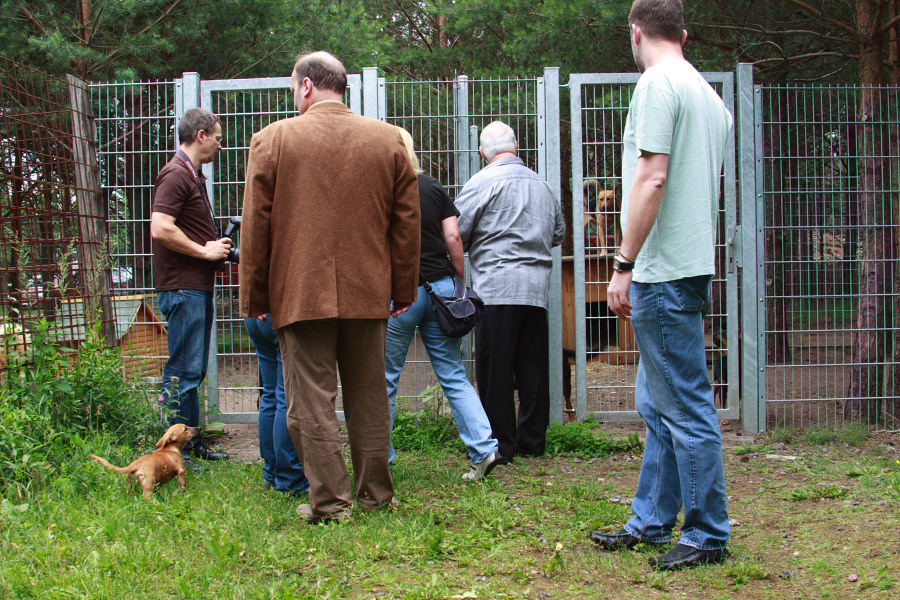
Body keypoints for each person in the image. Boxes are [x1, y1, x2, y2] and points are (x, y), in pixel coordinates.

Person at [239, 51, 420, 523]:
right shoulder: (388, 141)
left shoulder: (273, 140)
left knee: (311, 403)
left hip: (299, 294)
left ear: (305, 87)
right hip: (369, 293)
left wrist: (255, 296)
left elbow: (255, 226)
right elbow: (406, 224)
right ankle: (376, 496)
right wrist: (403, 289)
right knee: (370, 398)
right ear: (341, 86)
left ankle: (331, 504)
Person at [591, 0, 733, 570]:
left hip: (662, 268)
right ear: (684, 32)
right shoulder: (709, 95)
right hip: (689, 263)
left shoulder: (656, 84)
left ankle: (706, 532)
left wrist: (624, 262)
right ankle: (651, 520)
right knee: (658, 402)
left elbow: (653, 176)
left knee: (686, 406)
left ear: (636, 32)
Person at [385, 128, 501, 480]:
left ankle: (381, 458)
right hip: (442, 290)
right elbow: (453, 236)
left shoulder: (384, 189)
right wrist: (458, 279)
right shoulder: (433, 187)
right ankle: (483, 448)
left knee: (386, 378)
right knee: (453, 374)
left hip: (399, 295)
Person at [454, 121, 566, 463]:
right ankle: (533, 439)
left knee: (496, 369)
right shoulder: (542, 185)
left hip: (496, 287)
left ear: (481, 152)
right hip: (536, 289)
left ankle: (502, 444)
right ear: (515, 145)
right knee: (532, 368)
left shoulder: (480, 182)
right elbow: (559, 233)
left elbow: (457, 230)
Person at [150, 107, 231, 466]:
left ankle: (190, 445)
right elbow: (161, 227)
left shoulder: (192, 175)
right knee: (182, 372)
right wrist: (204, 250)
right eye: (217, 138)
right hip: (183, 287)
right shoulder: (175, 174)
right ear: (200, 136)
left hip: (195, 285)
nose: (219, 145)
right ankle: (171, 452)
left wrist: (216, 249)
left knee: (192, 370)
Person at [244, 314, 310, 495]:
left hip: (256, 316)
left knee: (271, 394)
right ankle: (291, 480)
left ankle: (272, 474)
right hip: (282, 312)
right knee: (287, 395)